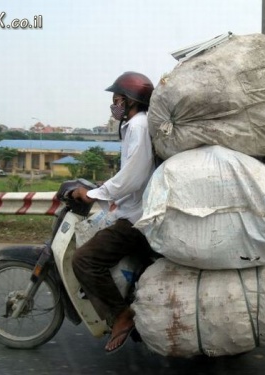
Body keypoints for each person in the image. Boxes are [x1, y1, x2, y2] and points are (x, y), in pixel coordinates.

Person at [68, 72, 155, 353]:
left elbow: (134, 176)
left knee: (84, 259)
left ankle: (120, 314)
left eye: (117, 99)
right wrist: (107, 188)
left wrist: (94, 194)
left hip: (137, 218)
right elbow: (130, 175)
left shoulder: (139, 126)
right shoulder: (133, 126)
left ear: (130, 101)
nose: (114, 105)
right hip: (132, 209)